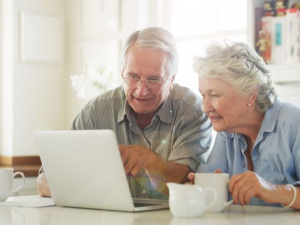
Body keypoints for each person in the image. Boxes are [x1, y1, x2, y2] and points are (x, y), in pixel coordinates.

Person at [37, 27, 212, 199]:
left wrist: (152, 162)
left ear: (171, 79)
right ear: (122, 72)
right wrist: (81, 187)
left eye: (153, 79)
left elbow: (187, 180)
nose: (141, 91)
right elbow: (44, 179)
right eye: (133, 77)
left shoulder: (192, 111)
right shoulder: (95, 113)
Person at [190, 40, 300, 210]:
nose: (205, 108)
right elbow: (209, 185)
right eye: (203, 95)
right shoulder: (228, 131)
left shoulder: (294, 125)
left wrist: (274, 190)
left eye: (215, 95)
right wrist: (198, 187)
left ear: (251, 94)